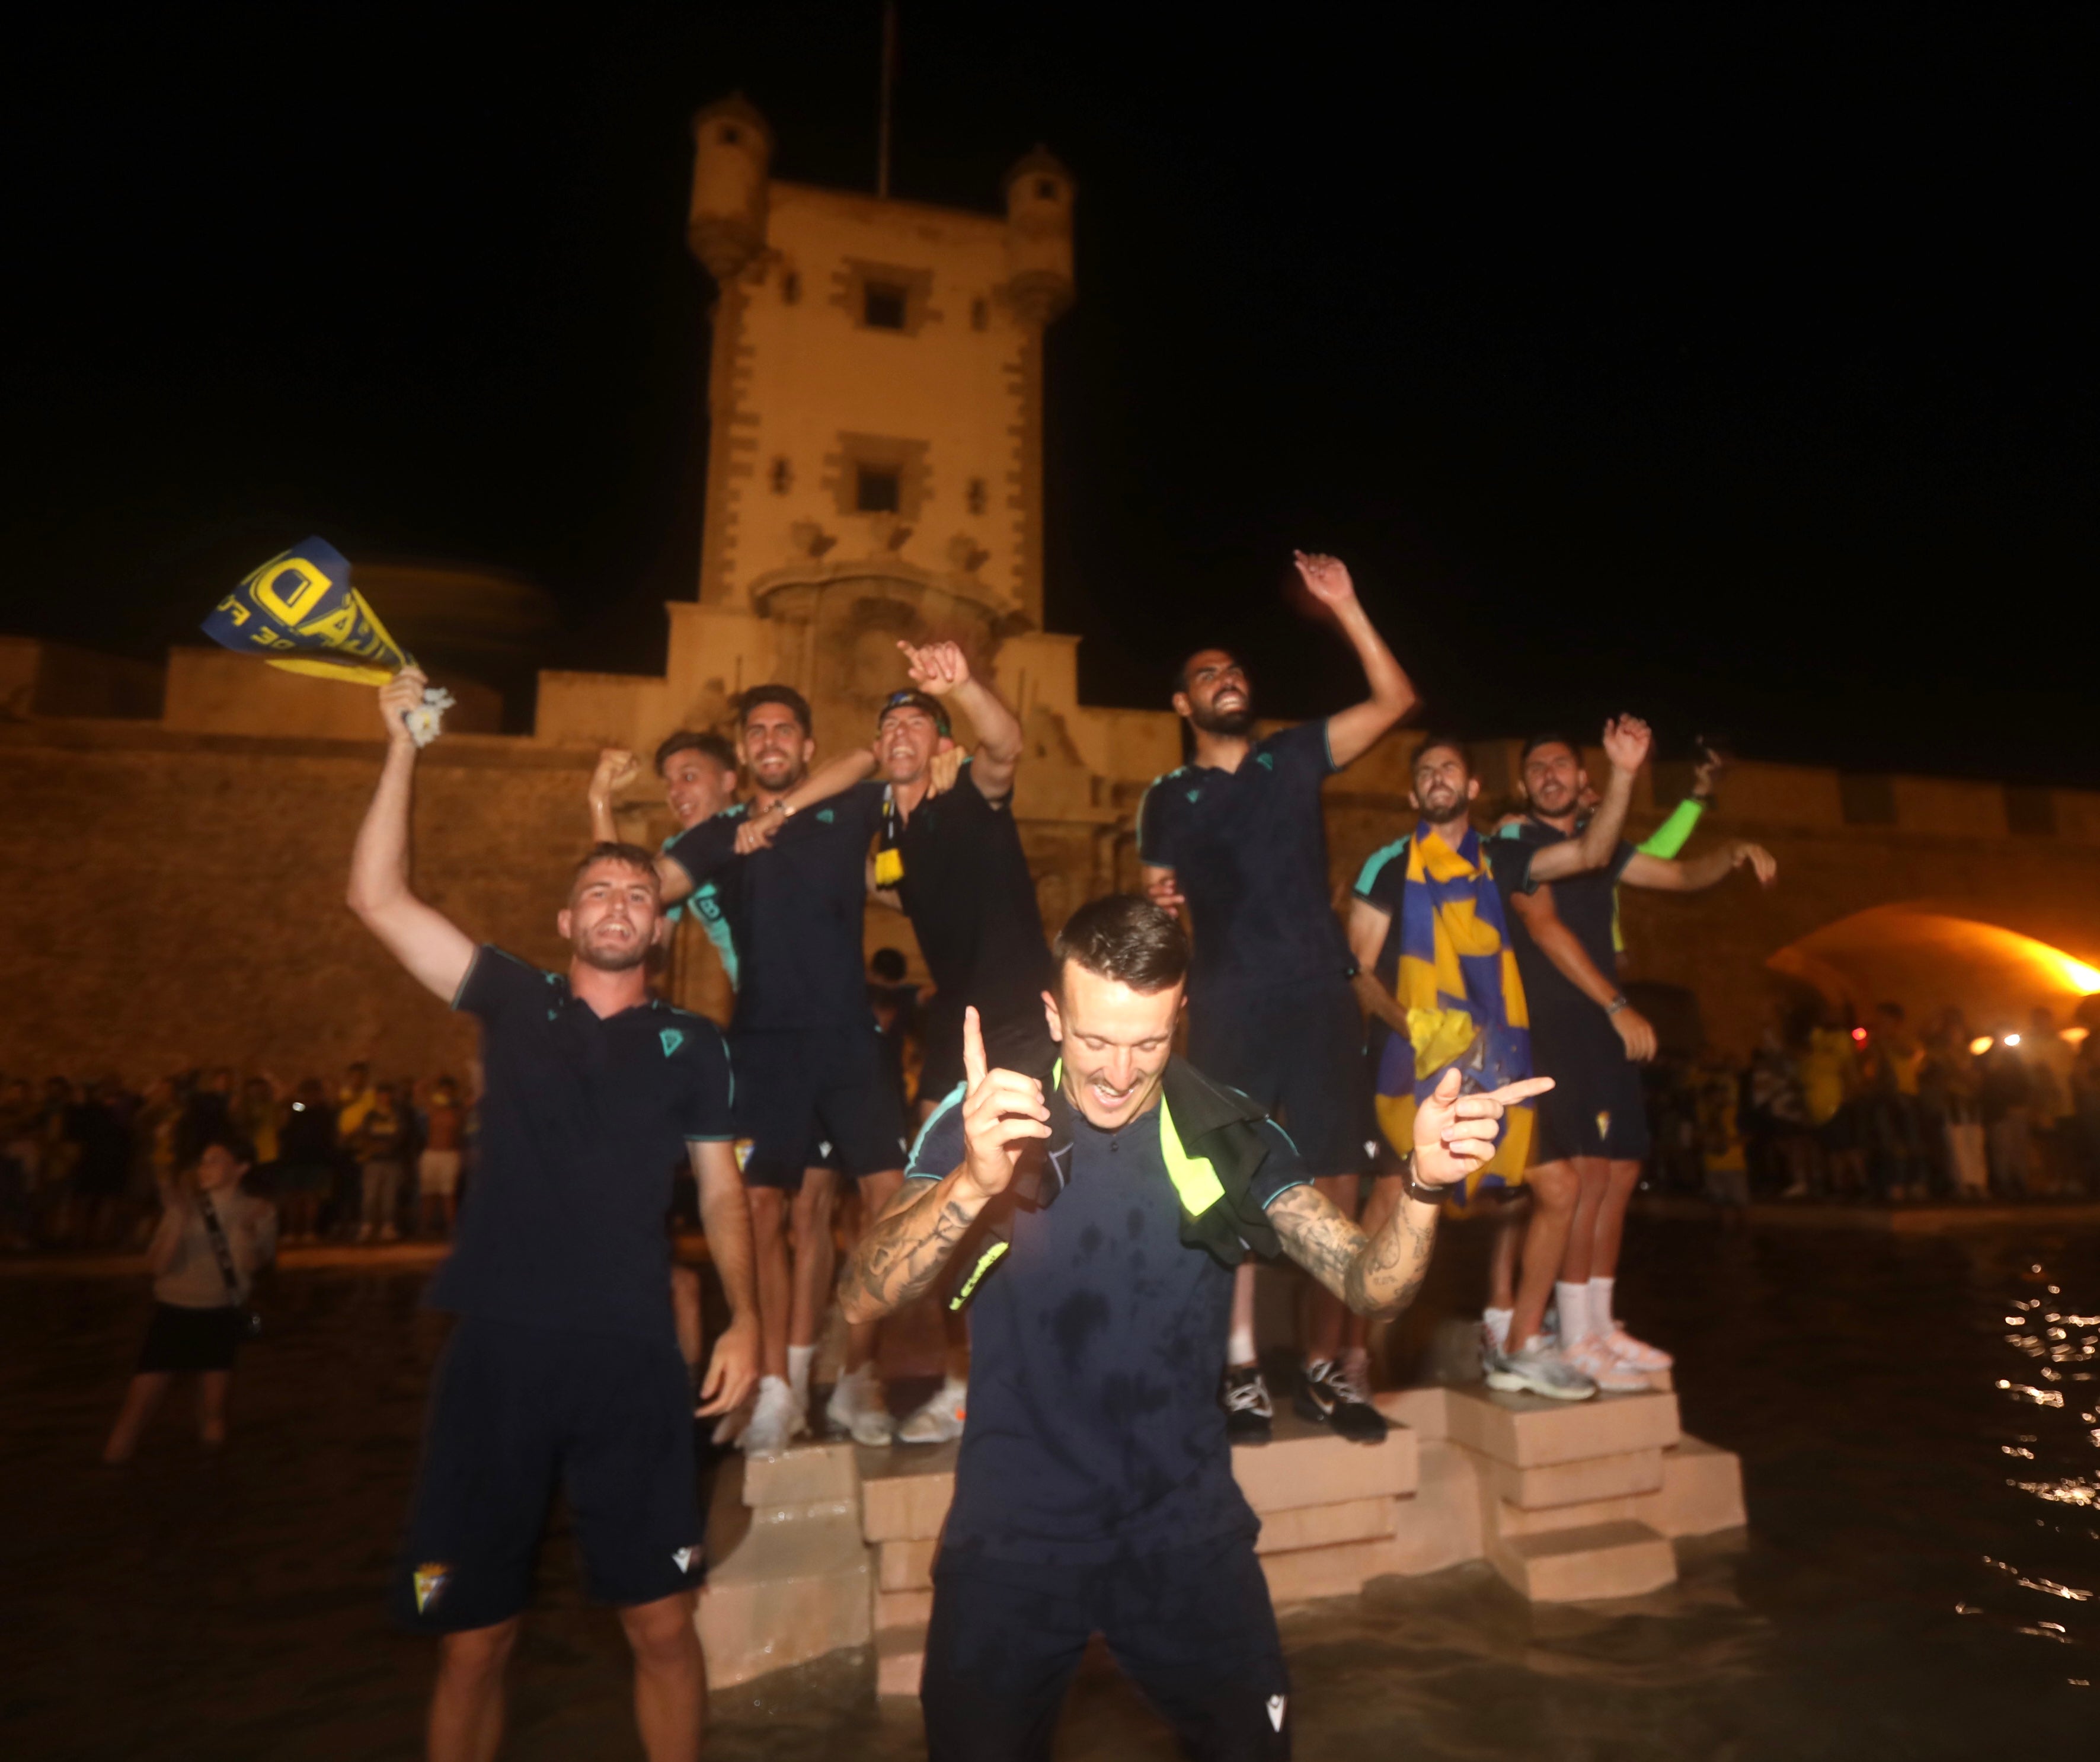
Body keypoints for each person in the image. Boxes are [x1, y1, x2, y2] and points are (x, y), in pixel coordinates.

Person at [840, 895, 1545, 1759]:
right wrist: (970, 1184)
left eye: (1147, 1042)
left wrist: (1423, 1186)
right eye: (1095, 1040)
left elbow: (1371, 1287)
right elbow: (861, 1296)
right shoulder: (988, 1116)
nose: (1116, 1072)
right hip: (1012, 1538)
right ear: (1054, 1015)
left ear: (1181, 1016)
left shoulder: (1230, 1133)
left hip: (1184, 1536)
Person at [349, 666, 760, 1762]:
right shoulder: (511, 998)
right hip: (497, 1357)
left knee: (664, 1626)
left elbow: (722, 1191)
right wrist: (403, 747)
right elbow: (379, 901)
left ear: (657, 927)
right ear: (566, 920)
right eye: (601, 892)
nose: (622, 904)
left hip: (631, 1358)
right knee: (473, 1641)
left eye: (641, 894)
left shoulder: (695, 1046)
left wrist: (747, 1319)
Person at [736, 640, 1054, 1445]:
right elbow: (850, 817)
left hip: (1018, 1014)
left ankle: (1024, 1380)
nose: (902, 733)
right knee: (936, 1205)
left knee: (1019, 1203)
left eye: (918, 722)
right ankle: (958, 1380)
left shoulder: (969, 799)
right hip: (958, 1024)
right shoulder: (887, 837)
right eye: (891, 726)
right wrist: (778, 817)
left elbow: (1003, 746)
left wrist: (964, 688)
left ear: (940, 745)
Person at [1139, 551, 1415, 1442]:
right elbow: (1158, 899)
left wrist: (1345, 605)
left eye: (1235, 670)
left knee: (1336, 1180)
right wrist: (1163, 903)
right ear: (1183, 704)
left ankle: (1331, 1368)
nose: (1228, 680)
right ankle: (1240, 1368)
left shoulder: (1293, 756)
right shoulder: (1167, 797)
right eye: (1206, 675)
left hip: (1318, 995)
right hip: (1226, 1004)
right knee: (1233, 1188)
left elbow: (1394, 702)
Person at [1350, 723, 1649, 1401]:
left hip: (1496, 1059)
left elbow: (1593, 851)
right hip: (1411, 1064)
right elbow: (1358, 970)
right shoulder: (1386, 866)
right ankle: (1357, 1354)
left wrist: (1625, 772)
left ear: (1472, 785)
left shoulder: (1501, 856)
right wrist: (1419, 1025)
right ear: (1412, 790)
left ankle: (1518, 1344)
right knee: (1392, 1205)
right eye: (1425, 771)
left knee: (1560, 1188)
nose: (1437, 778)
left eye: (1449, 767)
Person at [654, 685, 909, 1452]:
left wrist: (782, 814)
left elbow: (869, 754)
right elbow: (654, 889)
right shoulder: (718, 834)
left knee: (888, 1208)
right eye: (756, 732)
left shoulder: (843, 804)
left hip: (848, 1036)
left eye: (783, 731)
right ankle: (772, 1389)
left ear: (802, 746)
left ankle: (859, 1379)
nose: (769, 741)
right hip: (762, 1042)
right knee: (760, 1212)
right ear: (743, 754)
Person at [1494, 729, 1776, 1391]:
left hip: (1604, 1030)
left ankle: (1597, 1324)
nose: (1549, 772)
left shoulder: (1607, 848)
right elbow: (1546, 929)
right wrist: (1617, 1003)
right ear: (1523, 786)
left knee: (1620, 1172)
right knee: (1585, 1176)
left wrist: (1729, 850)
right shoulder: (1515, 846)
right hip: (1558, 1026)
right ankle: (1568, 1331)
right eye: (1536, 766)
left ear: (1580, 774)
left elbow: (1677, 873)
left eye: (1561, 761)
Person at [101, 1135, 276, 1463]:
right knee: (135, 1413)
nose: (204, 1168)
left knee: (214, 1412)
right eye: (203, 1161)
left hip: (220, 1314)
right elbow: (158, 1267)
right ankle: (109, 1483)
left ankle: (214, 1486)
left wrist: (247, 1234)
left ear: (240, 1169)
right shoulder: (184, 1207)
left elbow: (254, 1266)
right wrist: (179, 1218)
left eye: (215, 1161)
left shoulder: (258, 1210)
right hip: (173, 1313)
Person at [276, 1077, 335, 1241]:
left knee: (311, 1197)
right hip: (293, 1159)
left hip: (317, 1160)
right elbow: (287, 1107)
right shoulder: (298, 1108)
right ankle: (291, 1231)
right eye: (307, 1092)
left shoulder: (325, 1111)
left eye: (315, 1092)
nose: (311, 1096)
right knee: (292, 1198)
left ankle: (309, 1231)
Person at [354, 1081, 412, 1244]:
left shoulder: (398, 1115)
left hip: (393, 1161)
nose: (385, 1098)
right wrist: (376, 1147)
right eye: (382, 1094)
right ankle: (367, 1226)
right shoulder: (370, 1115)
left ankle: (388, 1226)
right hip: (373, 1161)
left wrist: (387, 1146)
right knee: (370, 1196)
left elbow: (401, 1135)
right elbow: (364, 1135)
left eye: (387, 1094)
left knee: (390, 1196)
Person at [418, 1076, 465, 1237]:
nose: (446, 1093)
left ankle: (452, 1229)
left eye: (449, 1090)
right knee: (428, 1194)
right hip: (431, 1154)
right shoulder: (433, 1108)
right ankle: (424, 1229)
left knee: (449, 1193)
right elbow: (419, 1091)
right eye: (443, 1090)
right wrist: (433, 1080)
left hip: (450, 1155)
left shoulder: (458, 1112)